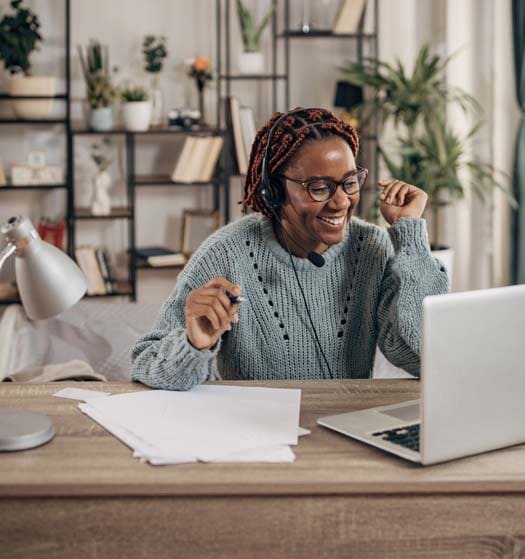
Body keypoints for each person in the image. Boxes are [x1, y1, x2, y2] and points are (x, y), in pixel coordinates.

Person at [131, 107, 449, 390]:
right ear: (274, 190)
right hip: (253, 437)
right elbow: (146, 363)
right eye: (320, 188)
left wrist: (410, 235)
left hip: (342, 433)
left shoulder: (372, 249)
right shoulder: (225, 252)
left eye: (350, 183)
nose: (341, 202)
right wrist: (194, 344)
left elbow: (424, 357)